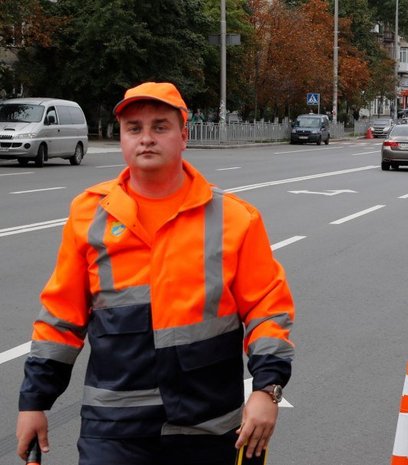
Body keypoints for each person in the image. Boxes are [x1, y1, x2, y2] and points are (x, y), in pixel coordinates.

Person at [16, 82, 296, 465]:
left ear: (184, 135)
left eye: (160, 126)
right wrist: (34, 402)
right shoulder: (90, 214)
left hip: (209, 426)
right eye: (134, 128)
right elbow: (61, 318)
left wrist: (267, 390)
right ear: (122, 138)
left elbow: (267, 311)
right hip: (114, 430)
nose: (146, 138)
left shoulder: (234, 218)